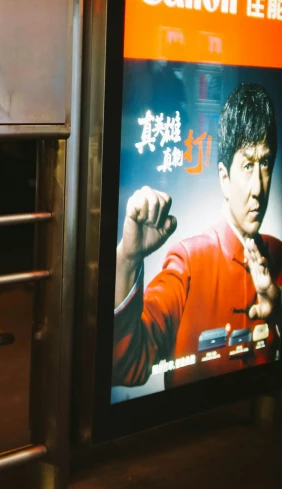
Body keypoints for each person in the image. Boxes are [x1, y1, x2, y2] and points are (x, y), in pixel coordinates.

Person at [113, 83, 282, 389]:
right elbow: (127, 367)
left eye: (265, 164)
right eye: (247, 166)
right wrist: (127, 257)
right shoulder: (188, 261)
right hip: (195, 432)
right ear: (224, 177)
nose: (258, 188)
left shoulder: (278, 253)